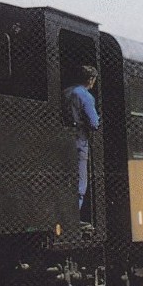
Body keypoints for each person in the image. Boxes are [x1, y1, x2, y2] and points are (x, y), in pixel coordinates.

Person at [62, 65, 101, 218]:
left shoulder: (65, 92)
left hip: (62, 139)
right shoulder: (85, 95)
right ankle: (73, 218)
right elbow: (93, 123)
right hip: (79, 141)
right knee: (80, 183)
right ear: (91, 79)